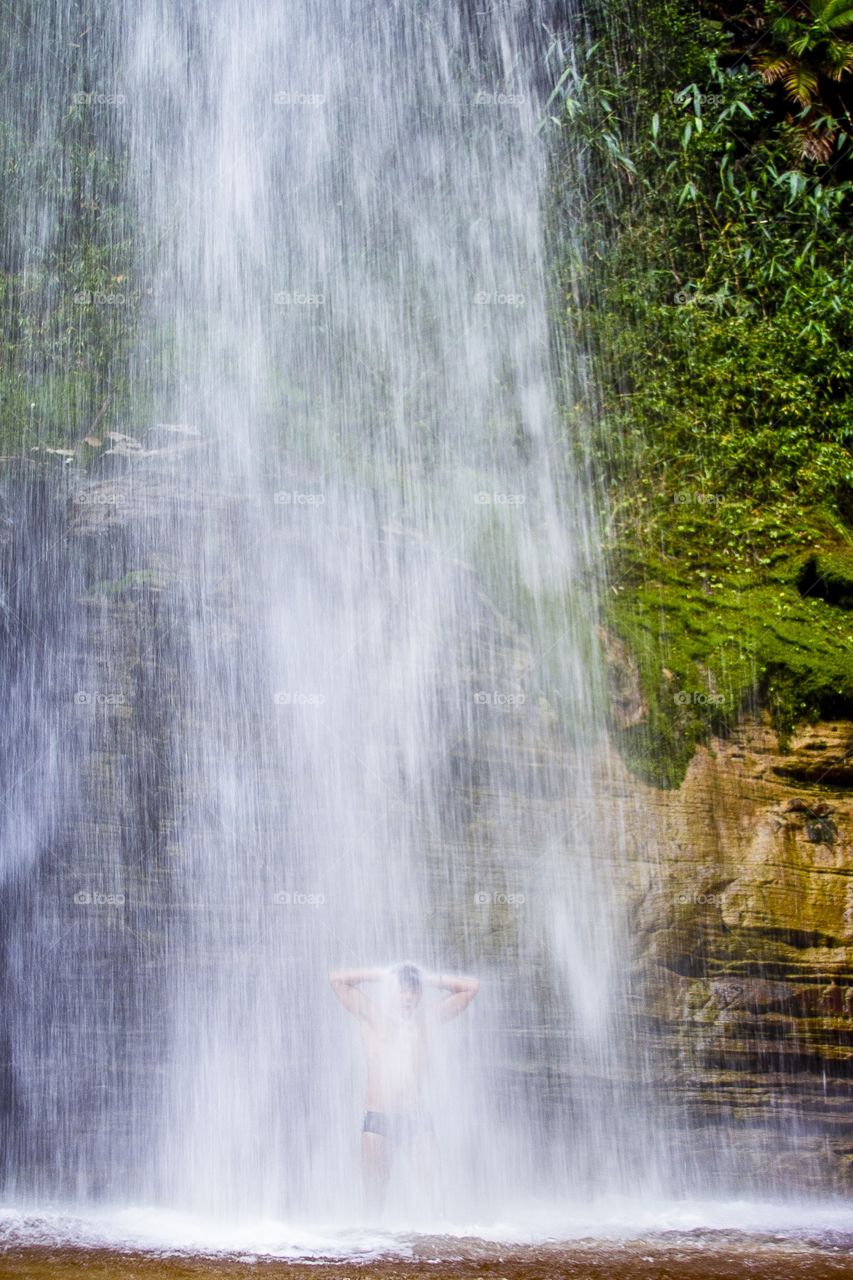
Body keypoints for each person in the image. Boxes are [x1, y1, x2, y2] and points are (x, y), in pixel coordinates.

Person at [329, 962, 479, 1211]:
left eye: (413, 992)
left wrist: (427, 978)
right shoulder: (372, 1015)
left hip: (415, 1120)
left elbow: (471, 988)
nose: (408, 998)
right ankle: (374, 1249)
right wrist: (380, 974)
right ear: (391, 991)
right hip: (378, 1120)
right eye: (401, 990)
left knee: (434, 1195)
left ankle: (435, 1247)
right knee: (374, 1200)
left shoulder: (427, 1020)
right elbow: (336, 978)